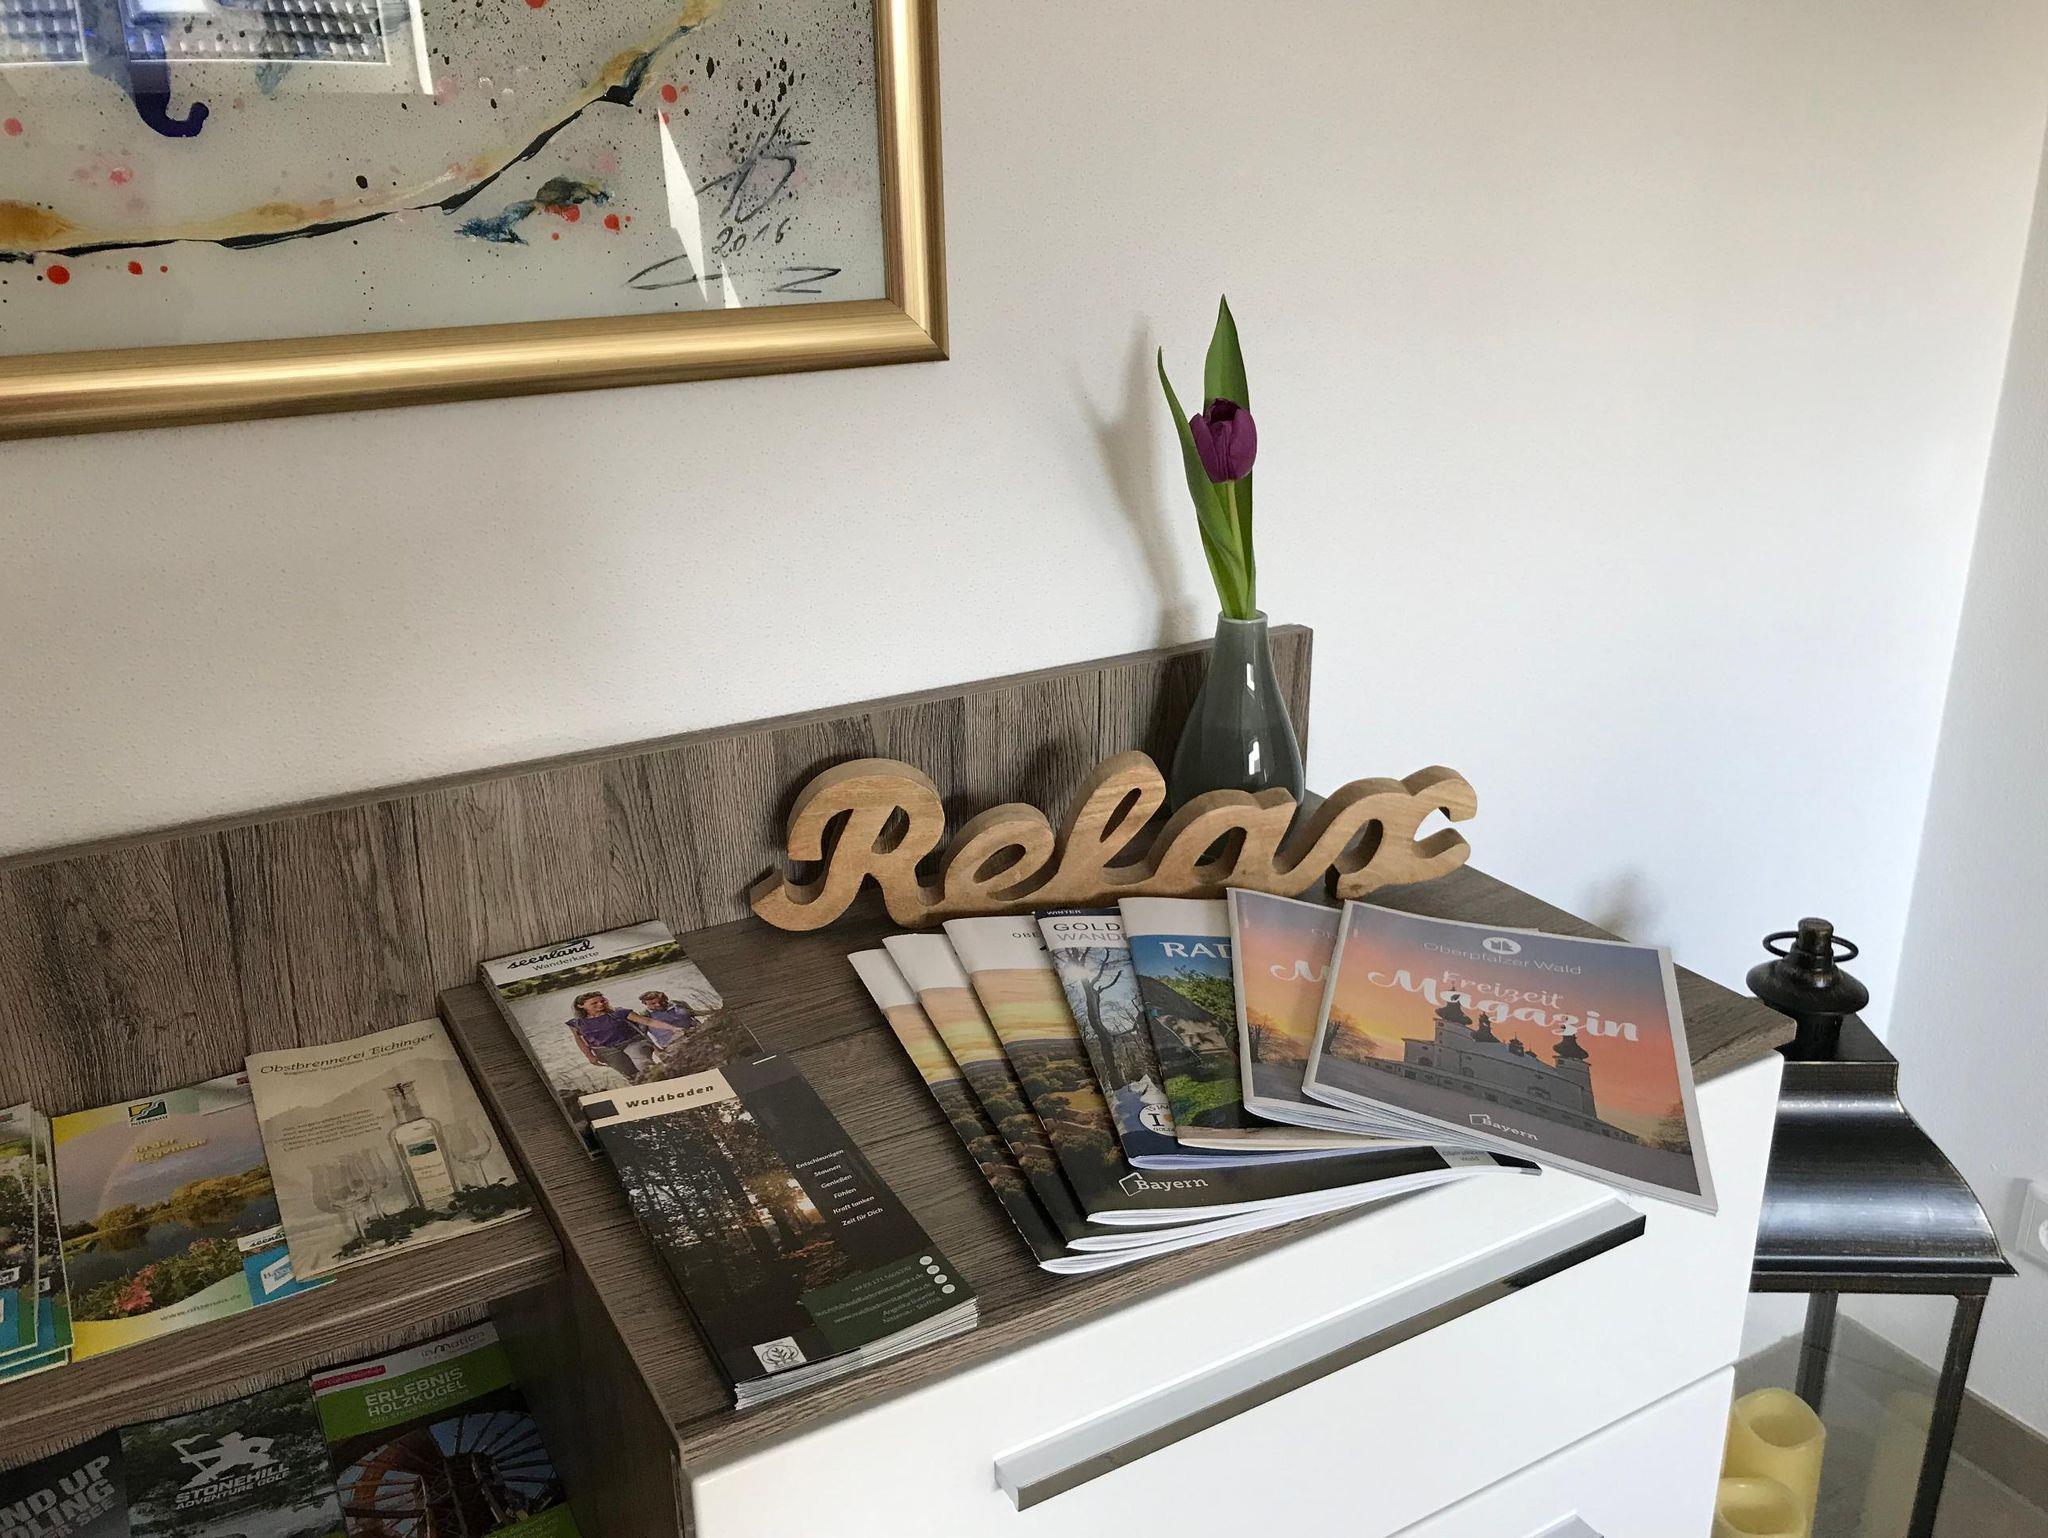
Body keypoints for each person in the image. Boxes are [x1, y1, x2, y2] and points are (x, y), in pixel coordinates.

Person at [566, 991, 657, 1080]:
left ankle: (660, 1079)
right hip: (606, 1051)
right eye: (594, 1003)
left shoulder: (616, 1013)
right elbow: (580, 1041)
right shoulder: (576, 1023)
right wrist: (590, 1056)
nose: (600, 1004)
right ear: (580, 1006)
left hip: (632, 1042)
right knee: (632, 1076)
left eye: (602, 1001)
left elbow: (643, 1025)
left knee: (644, 1065)